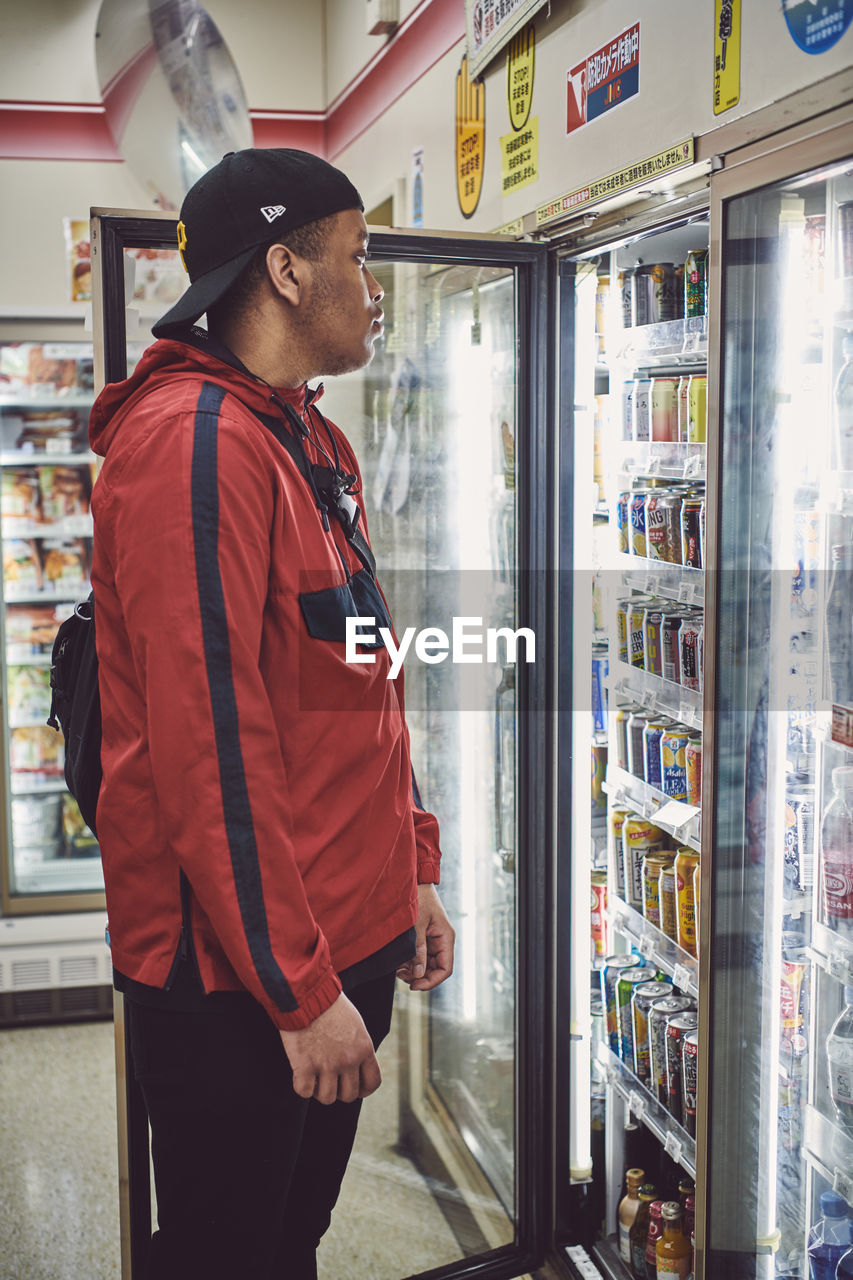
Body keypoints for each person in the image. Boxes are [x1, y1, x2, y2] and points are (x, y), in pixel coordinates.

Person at [88, 148, 454, 1280]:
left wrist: (412, 872)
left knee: (282, 1239)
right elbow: (210, 752)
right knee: (227, 1254)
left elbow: (359, 671)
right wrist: (299, 993)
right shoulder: (194, 449)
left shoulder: (304, 434)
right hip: (239, 984)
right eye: (356, 254)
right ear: (287, 270)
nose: (372, 280)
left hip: (335, 938)